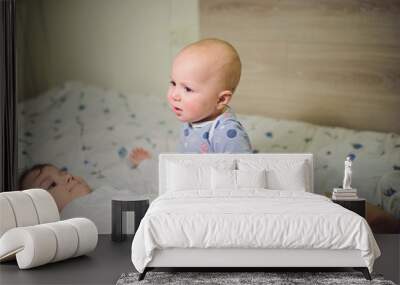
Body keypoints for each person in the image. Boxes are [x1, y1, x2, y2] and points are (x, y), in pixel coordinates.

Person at [130, 38, 252, 167]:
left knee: (156, 176)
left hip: (200, 184)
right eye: (173, 83)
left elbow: (244, 171)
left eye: (187, 89)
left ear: (221, 99)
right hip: (186, 172)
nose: (174, 95)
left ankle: (146, 165)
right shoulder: (197, 115)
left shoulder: (226, 133)